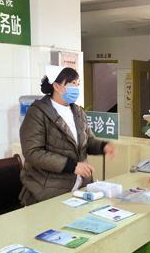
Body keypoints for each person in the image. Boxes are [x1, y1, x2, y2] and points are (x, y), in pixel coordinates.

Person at [19, 66, 115, 206]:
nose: (76, 88)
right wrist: (71, 166)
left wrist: (103, 147)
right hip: (48, 191)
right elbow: (33, 152)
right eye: (72, 84)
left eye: (77, 84)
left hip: (79, 189)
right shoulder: (37, 113)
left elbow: (87, 141)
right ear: (57, 86)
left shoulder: (78, 112)